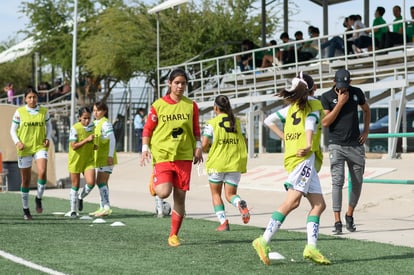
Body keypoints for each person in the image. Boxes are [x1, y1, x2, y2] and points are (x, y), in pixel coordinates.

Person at [252, 73, 330, 265]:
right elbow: (311, 123)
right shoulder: (314, 104)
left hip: (297, 158)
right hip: (303, 158)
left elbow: (268, 120)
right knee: (293, 201)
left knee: (319, 205)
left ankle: (311, 247)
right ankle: (263, 240)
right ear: (314, 88)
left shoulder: (291, 108)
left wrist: (284, 137)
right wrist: (309, 144)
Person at [140, 68, 203, 247]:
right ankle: (154, 183)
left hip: (183, 156)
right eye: (177, 83)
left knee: (180, 197)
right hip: (163, 155)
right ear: (169, 84)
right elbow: (147, 129)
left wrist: (198, 147)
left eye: (183, 83)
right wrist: (145, 148)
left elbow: (196, 130)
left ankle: (174, 235)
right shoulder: (158, 105)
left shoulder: (191, 106)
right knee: (163, 192)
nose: (180, 86)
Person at [320, 69, 370, 234]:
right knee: (337, 182)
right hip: (336, 145)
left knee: (357, 182)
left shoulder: (356, 92)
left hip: (356, 145)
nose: (343, 89)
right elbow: (326, 122)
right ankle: (337, 221)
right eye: (340, 85)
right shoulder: (326, 97)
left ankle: (349, 214)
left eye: (346, 85)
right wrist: (340, 103)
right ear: (334, 82)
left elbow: (366, 110)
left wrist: (366, 132)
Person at [201, 95, 250, 231]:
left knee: (216, 194)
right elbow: (244, 141)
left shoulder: (211, 123)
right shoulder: (238, 123)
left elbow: (204, 144)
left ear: (215, 108)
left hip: (217, 163)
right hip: (235, 163)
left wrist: (202, 150)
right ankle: (239, 203)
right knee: (230, 195)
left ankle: (223, 222)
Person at [9, 86, 52, 220]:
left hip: (40, 146)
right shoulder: (19, 112)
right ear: (25, 99)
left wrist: (47, 138)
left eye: (34, 97)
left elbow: (49, 126)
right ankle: (26, 209)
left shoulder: (44, 111)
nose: (32, 99)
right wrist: (17, 142)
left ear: (37, 98)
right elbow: (12, 130)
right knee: (26, 180)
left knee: (43, 171)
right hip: (24, 148)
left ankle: (38, 198)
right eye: (29, 97)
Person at [87, 101, 118, 217]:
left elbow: (112, 139)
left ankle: (106, 207)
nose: (95, 112)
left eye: (98, 110)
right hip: (100, 158)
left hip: (106, 158)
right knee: (101, 182)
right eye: (94, 110)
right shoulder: (94, 123)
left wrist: (110, 155)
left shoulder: (106, 123)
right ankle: (102, 206)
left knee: (100, 181)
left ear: (104, 111)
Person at [67, 107, 95, 217]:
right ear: (79, 118)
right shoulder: (75, 128)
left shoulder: (93, 127)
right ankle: (73, 210)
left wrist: (96, 146)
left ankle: (80, 197)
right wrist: (86, 140)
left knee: (91, 183)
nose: (87, 121)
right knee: (75, 185)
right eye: (84, 118)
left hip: (88, 160)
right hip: (76, 160)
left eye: (89, 118)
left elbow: (95, 142)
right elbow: (73, 146)